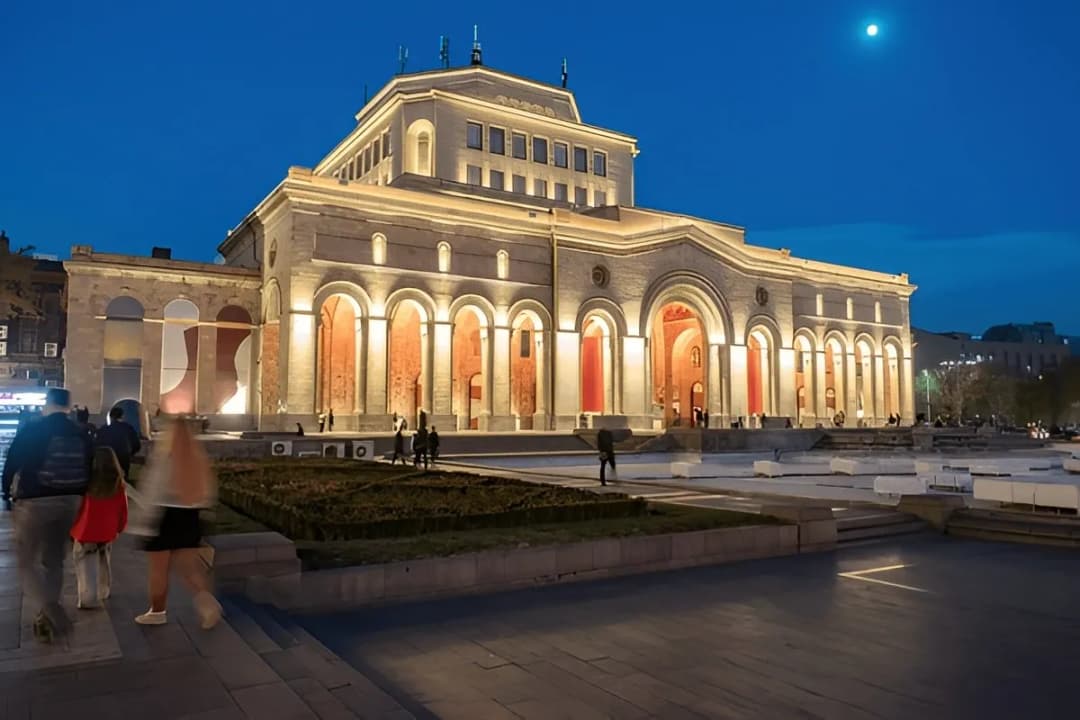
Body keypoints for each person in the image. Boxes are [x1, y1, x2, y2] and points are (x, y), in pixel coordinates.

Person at [1, 388, 93, 642]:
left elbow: (12, 462)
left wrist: (6, 494)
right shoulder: (80, 432)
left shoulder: (35, 428)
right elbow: (91, 465)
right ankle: (47, 615)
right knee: (54, 560)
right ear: (68, 405)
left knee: (25, 560)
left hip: (36, 500)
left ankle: (49, 607)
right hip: (71, 501)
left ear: (48, 403)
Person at [128, 419, 221, 629]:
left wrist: (141, 517)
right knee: (189, 569)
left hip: (164, 515)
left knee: (158, 569)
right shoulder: (197, 458)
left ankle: (157, 611)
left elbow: (152, 490)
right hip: (190, 515)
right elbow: (208, 491)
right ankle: (207, 604)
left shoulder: (164, 458)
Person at [70, 446, 128, 609]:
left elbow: (78, 508)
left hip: (85, 531)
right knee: (104, 560)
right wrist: (119, 528)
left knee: (83, 563)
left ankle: (87, 596)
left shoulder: (86, 485)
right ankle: (104, 590)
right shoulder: (118, 485)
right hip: (107, 531)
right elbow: (122, 509)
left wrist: (71, 525)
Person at [94, 405, 142, 481]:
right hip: (123, 461)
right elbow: (137, 445)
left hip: (106, 462)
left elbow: (97, 446)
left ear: (110, 417)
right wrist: (129, 453)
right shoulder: (128, 428)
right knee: (123, 482)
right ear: (122, 416)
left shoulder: (103, 430)